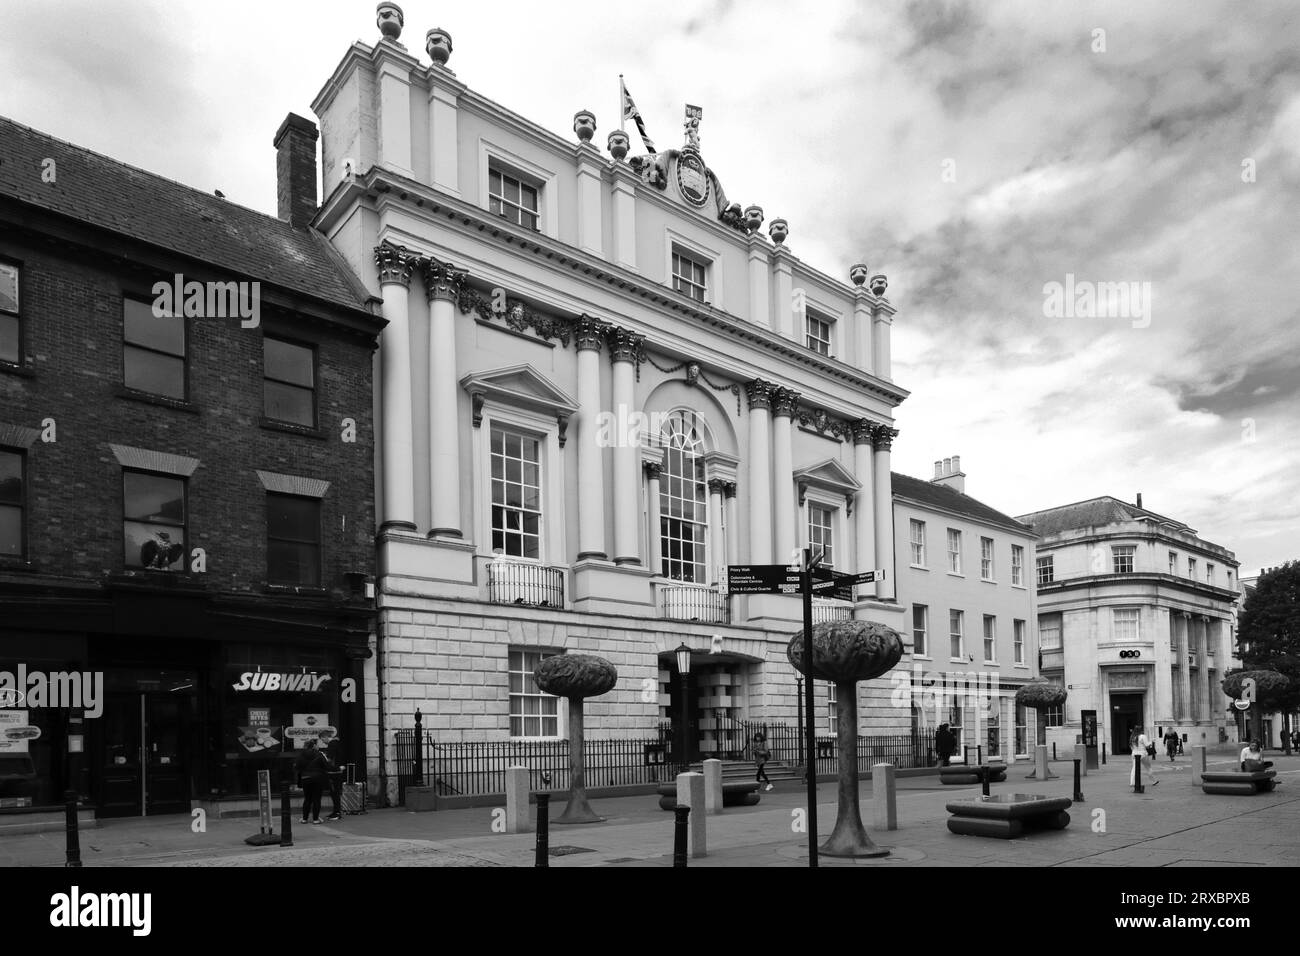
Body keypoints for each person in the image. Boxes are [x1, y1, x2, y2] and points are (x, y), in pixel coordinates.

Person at [295, 738, 331, 825]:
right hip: (318, 778)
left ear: (305, 746)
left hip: (306, 778)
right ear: (313, 746)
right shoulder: (319, 754)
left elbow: (297, 767)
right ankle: (315, 819)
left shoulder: (301, 755)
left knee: (307, 799)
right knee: (317, 799)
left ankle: (304, 819)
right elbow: (326, 766)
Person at [321, 732, 345, 821]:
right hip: (337, 770)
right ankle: (335, 811)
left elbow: (330, 758)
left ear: (326, 737)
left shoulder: (332, 744)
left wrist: (324, 757)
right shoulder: (336, 743)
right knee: (335, 792)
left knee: (334, 792)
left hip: (333, 772)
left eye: (322, 739)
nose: (323, 742)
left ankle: (337, 813)